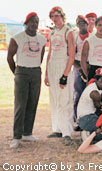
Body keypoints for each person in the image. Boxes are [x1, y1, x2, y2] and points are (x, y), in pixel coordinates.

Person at [7, 12, 46, 148]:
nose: (34, 24)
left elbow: (41, 57)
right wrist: (17, 73)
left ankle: (27, 133)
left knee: (32, 102)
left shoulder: (42, 39)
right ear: (26, 23)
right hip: (22, 71)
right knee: (20, 105)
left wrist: (34, 68)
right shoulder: (17, 38)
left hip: (35, 72)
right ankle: (16, 136)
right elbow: (9, 57)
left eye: (36, 21)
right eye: (31, 21)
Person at [44, 6, 75, 146]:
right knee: (55, 99)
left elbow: (72, 55)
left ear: (62, 16)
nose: (55, 18)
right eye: (53, 16)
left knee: (65, 100)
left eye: (57, 15)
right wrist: (46, 73)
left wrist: (65, 75)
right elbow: (49, 53)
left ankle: (67, 132)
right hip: (53, 68)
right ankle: (57, 128)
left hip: (64, 66)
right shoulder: (52, 33)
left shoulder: (68, 32)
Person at [81, 16, 102, 101]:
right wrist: (88, 75)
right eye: (99, 25)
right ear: (96, 26)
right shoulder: (89, 41)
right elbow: (83, 60)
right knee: (93, 98)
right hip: (94, 69)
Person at [73, 15, 89, 121]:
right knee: (78, 93)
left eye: (83, 23)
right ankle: (78, 119)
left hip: (89, 65)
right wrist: (78, 68)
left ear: (87, 24)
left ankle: (88, 117)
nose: (81, 25)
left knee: (89, 94)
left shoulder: (91, 37)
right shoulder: (75, 37)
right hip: (78, 65)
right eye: (79, 23)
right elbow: (70, 54)